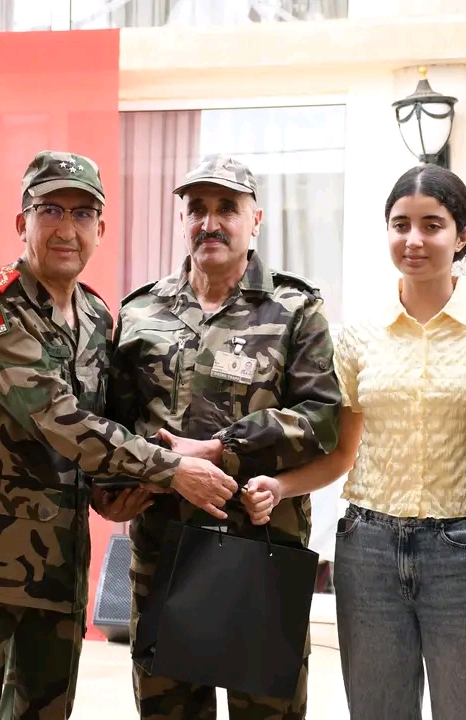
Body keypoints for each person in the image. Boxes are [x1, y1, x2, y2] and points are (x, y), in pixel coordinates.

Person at [0, 150, 237, 720]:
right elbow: (55, 417)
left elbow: (100, 429)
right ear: (23, 222)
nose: (67, 229)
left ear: (100, 230)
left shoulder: (96, 317)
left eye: (83, 214)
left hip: (56, 569)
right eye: (51, 211)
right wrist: (172, 471)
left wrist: (114, 494)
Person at [243, 164, 466, 719]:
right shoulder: (357, 335)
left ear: (462, 236)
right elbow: (343, 455)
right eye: (400, 224)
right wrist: (281, 485)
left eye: (432, 225)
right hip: (367, 549)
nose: (413, 239)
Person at [108, 154, 342, 720]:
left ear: (254, 219)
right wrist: (122, 483)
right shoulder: (141, 311)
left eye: (227, 209)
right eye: (197, 209)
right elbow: (113, 422)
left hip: (260, 548)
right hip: (164, 552)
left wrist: (224, 448)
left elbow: (323, 419)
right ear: (182, 218)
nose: (209, 223)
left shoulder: (294, 309)